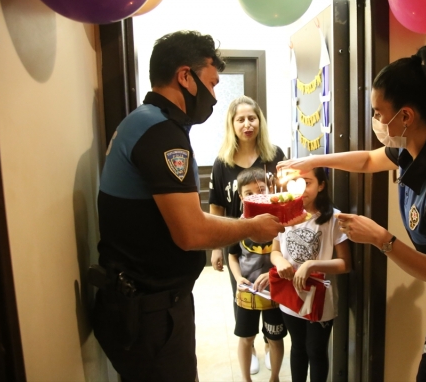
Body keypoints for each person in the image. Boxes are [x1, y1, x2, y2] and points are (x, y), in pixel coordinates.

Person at [277, 45, 426, 382]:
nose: (376, 121)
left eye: (379, 113)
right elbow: (367, 160)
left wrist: (381, 238)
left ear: (405, 116)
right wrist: (312, 161)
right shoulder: (416, 144)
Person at [91, 30, 284, 382]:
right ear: (185, 76)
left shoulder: (144, 121)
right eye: (210, 84)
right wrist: (253, 226)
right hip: (148, 310)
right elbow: (191, 231)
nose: (213, 95)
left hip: (144, 303)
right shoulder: (160, 132)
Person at [208, 95, 286, 372]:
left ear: (259, 121)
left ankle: (270, 339)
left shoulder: (274, 156)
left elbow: (285, 197)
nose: (247, 124)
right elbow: (216, 205)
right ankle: (249, 345)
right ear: (232, 125)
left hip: (273, 241)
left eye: (252, 118)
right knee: (242, 293)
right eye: (240, 119)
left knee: (273, 294)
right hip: (237, 243)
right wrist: (217, 247)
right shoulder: (222, 162)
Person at [270, 167, 352, 382]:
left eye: (307, 182)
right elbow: (275, 250)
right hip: (290, 293)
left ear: (321, 185)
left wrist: (311, 265)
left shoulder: (333, 218)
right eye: (295, 182)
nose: (301, 189)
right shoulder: (284, 213)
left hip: (318, 298)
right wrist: (279, 261)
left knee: (315, 351)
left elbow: (345, 264)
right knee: (297, 347)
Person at [229, 167, 288, 382]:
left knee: (275, 336)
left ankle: (274, 377)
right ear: (240, 196)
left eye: (261, 189)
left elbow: (285, 256)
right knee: (245, 337)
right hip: (248, 291)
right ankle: (246, 379)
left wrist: (274, 274)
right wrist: (237, 278)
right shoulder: (237, 224)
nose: (256, 196)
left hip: (274, 291)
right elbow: (233, 256)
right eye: (249, 193)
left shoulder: (280, 223)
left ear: (270, 190)